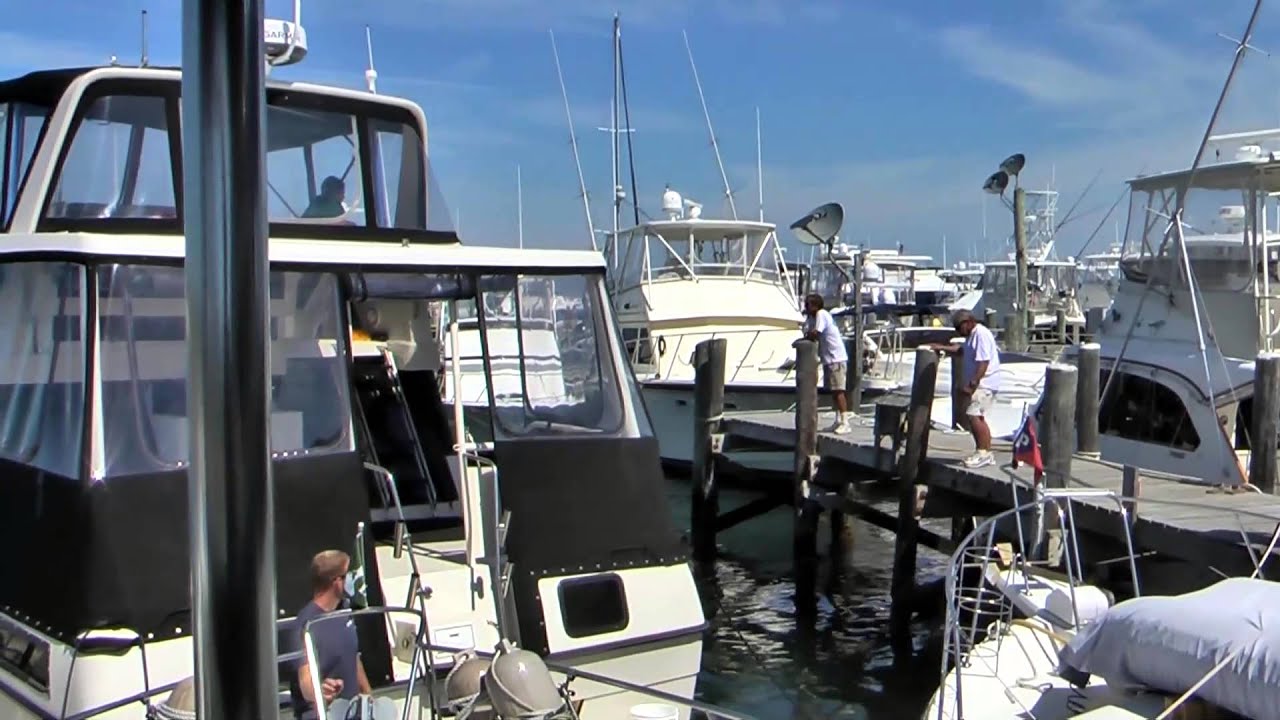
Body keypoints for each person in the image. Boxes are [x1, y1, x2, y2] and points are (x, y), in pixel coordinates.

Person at [287, 550, 395, 720]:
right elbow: (305, 679)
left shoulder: (344, 611)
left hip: (354, 713)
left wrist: (369, 699)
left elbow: (353, 658)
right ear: (337, 582)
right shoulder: (307, 624)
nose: (354, 578)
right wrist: (320, 691)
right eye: (348, 575)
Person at [931, 309, 1001, 468]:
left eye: (958, 327)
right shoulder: (972, 337)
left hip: (984, 384)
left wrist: (972, 384)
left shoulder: (980, 334)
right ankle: (985, 452)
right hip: (982, 384)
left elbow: (983, 362)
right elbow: (962, 351)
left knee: (973, 416)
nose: (958, 331)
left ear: (968, 322)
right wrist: (940, 347)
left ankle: (983, 452)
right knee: (978, 417)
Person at [801, 292, 850, 434]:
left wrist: (808, 335)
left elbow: (815, 333)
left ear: (815, 305)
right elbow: (808, 331)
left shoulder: (822, 314)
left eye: (808, 305)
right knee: (833, 392)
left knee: (838, 391)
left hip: (836, 358)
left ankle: (845, 421)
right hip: (828, 359)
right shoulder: (814, 317)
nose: (806, 307)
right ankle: (837, 420)